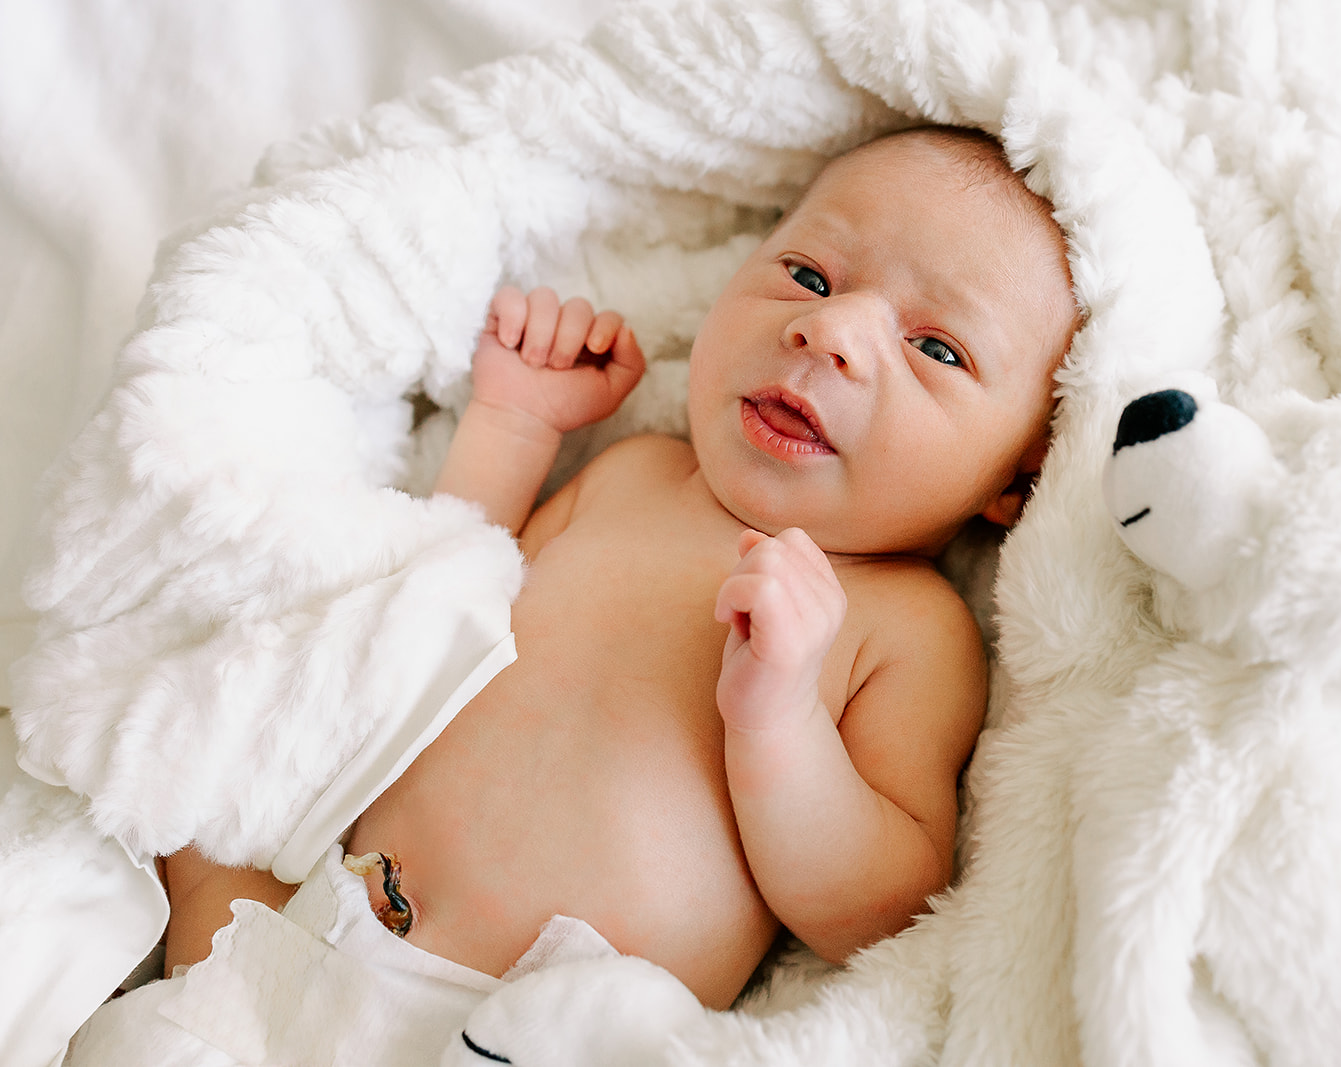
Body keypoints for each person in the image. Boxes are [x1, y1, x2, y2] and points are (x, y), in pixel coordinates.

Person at [159, 125, 1077, 1011]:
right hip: (316, 913)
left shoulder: (907, 626)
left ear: (1016, 479)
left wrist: (783, 719)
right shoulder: (634, 475)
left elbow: (880, 911)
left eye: (935, 348)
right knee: (193, 808)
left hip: (533, 1025)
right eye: (807, 276)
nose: (831, 330)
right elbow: (441, 597)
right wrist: (515, 425)